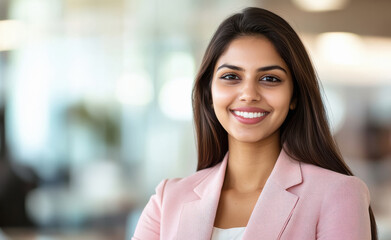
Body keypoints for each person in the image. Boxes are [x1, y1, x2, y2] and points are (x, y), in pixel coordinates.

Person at [132, 7, 377, 240]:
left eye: (270, 78)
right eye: (231, 77)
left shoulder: (338, 194)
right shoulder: (168, 200)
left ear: (294, 96)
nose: (249, 94)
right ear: (208, 93)